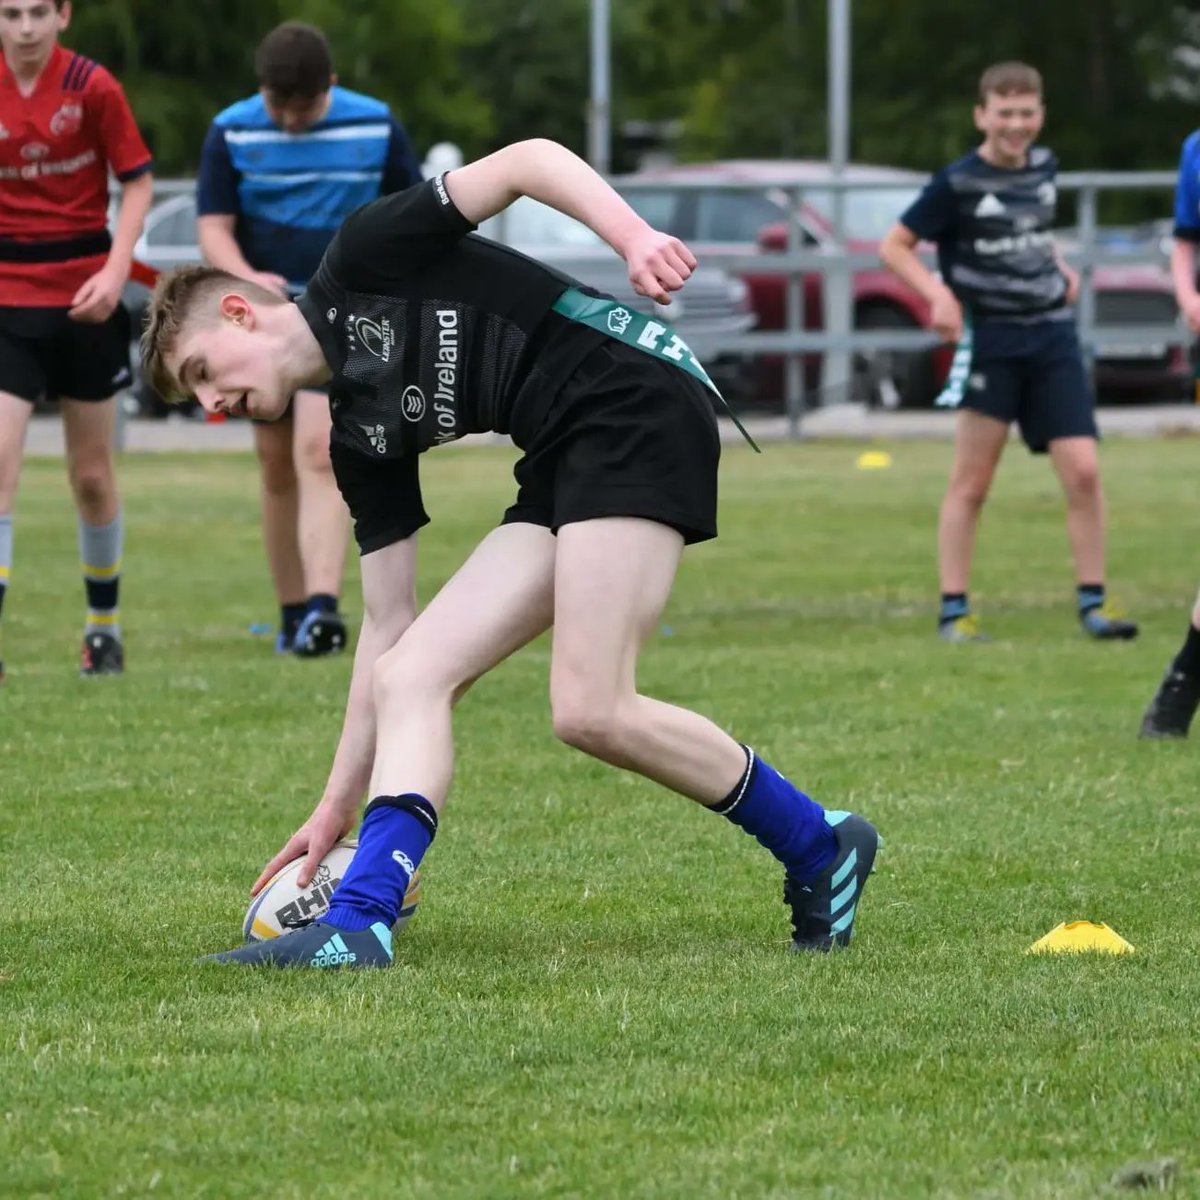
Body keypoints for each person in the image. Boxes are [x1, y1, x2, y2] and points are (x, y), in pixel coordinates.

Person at [141, 137, 880, 968]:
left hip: (629, 397)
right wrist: (332, 804)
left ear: (240, 312)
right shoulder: (357, 435)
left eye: (202, 372)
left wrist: (632, 238)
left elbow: (527, 160)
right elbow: (386, 625)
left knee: (590, 706)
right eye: (194, 397)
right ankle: (360, 921)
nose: (211, 403)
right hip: (563, 449)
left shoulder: (363, 254)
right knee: (411, 673)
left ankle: (821, 843)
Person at [879, 61, 1138, 644]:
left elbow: (1031, 235)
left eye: (1026, 113)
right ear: (983, 115)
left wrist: (1058, 267)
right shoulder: (956, 183)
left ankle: (1095, 605)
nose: (1016, 125)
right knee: (973, 482)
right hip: (990, 343)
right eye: (1005, 113)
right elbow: (894, 247)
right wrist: (938, 294)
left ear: (1040, 115)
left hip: (1052, 336)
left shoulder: (1045, 167)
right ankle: (954, 611)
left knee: (1085, 472)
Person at [196, 20, 422, 657]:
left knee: (318, 451)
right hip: (261, 322)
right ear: (260, 91)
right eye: (279, 107)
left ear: (333, 85)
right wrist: (246, 278)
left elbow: (410, 217)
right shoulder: (231, 129)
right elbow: (213, 228)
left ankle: (323, 612)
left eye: (305, 107)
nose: (291, 122)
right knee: (275, 467)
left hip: (345, 314)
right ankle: (291, 612)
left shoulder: (376, 126)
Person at [0, 0, 152, 681]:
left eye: (37, 12)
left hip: (85, 296)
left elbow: (139, 182)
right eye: (9, 13)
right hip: (7, 298)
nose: (24, 27)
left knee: (91, 477)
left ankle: (103, 629)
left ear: (62, 15)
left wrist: (117, 270)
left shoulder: (94, 86)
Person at [1137, 127, 1200, 738]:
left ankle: (1181, 686)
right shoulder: (1195, 150)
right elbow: (1186, 240)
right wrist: (1187, 294)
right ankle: (1181, 684)